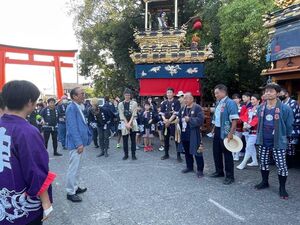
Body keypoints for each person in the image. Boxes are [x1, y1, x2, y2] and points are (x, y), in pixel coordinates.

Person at [0, 80, 56, 225]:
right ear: (30, 102)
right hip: (22, 209)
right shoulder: (27, 131)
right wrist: (46, 202)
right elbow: (36, 172)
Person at [255, 83, 293, 200]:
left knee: (281, 165)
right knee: (263, 162)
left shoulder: (285, 108)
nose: (267, 93)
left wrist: (284, 137)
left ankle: (282, 188)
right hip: (263, 139)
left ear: (277, 93)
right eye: (266, 91)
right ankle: (265, 182)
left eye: (271, 91)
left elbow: (289, 125)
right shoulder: (261, 107)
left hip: (278, 141)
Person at [65, 87, 92, 202]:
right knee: (73, 168)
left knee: (78, 167)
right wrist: (79, 143)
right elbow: (72, 127)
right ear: (74, 96)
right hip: (76, 144)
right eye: (81, 93)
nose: (84, 95)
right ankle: (70, 192)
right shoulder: (71, 108)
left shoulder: (78, 106)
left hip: (79, 143)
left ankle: (75, 187)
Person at [210, 84, 239, 185]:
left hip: (226, 131)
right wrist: (213, 129)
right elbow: (216, 118)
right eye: (215, 93)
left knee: (227, 154)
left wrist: (231, 133)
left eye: (217, 93)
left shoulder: (230, 103)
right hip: (217, 130)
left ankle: (230, 176)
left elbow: (235, 120)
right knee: (216, 152)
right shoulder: (218, 102)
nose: (216, 95)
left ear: (223, 92)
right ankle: (219, 171)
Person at [178, 93, 205, 178]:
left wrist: (190, 119)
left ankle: (200, 170)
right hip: (184, 133)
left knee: (197, 152)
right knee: (187, 151)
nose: (185, 100)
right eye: (184, 98)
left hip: (194, 133)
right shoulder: (183, 108)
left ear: (192, 99)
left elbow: (201, 120)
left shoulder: (197, 108)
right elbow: (179, 118)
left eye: (187, 98)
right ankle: (189, 167)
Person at [237, 94, 260, 169]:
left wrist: (249, 125)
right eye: (252, 99)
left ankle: (243, 163)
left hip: (255, 131)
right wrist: (245, 123)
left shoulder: (260, 109)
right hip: (247, 130)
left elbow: (257, 119)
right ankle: (255, 161)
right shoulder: (249, 108)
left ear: (258, 100)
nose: (252, 101)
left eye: (254, 99)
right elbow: (245, 116)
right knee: (250, 146)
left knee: (249, 146)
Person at [279, 88, 300, 168]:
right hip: (283, 128)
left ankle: (290, 164)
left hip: (293, 128)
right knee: (284, 145)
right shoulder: (281, 102)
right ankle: (284, 162)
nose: (279, 95)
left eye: (281, 93)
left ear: (286, 94)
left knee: (290, 146)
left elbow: (290, 116)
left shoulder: (293, 103)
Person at [160, 88, 183, 162]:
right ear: (166, 94)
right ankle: (166, 154)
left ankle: (178, 156)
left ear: (173, 94)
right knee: (166, 139)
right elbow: (161, 113)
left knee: (177, 140)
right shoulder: (164, 102)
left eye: (170, 92)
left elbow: (176, 112)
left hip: (173, 123)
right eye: (168, 93)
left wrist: (169, 121)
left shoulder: (177, 102)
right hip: (166, 123)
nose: (169, 94)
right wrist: (165, 120)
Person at [118, 88, 139, 160]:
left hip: (132, 122)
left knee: (133, 140)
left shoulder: (134, 103)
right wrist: (126, 124)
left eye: (128, 95)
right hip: (124, 123)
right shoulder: (120, 104)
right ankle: (126, 154)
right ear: (124, 95)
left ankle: (133, 154)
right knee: (125, 140)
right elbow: (121, 114)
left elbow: (134, 113)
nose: (127, 96)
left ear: (130, 95)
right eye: (126, 95)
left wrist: (130, 123)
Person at [232, 93, 243, 161]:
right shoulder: (231, 106)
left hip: (239, 127)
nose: (235, 100)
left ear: (239, 99)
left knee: (238, 141)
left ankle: (237, 155)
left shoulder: (242, 107)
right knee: (232, 141)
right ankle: (232, 154)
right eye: (234, 98)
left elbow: (242, 117)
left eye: (236, 98)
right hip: (232, 127)